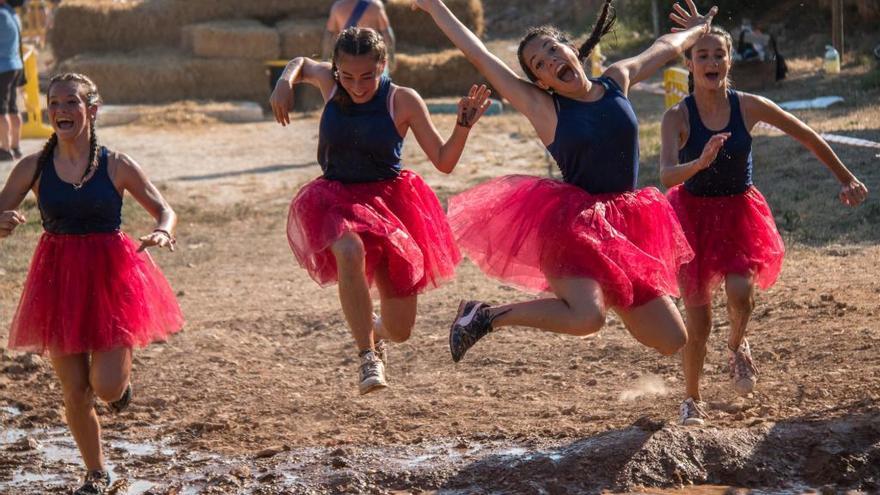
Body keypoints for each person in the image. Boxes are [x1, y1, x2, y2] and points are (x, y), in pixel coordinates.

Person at [410, 0, 717, 363]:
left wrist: (700, 29)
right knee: (588, 317)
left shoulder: (617, 79)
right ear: (540, 81)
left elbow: (664, 48)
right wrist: (435, 8)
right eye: (540, 64)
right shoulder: (544, 107)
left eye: (554, 50)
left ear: (572, 49)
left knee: (672, 338)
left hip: (625, 226)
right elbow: (479, 55)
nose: (551, 61)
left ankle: (607, 286)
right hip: (574, 229)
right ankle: (486, 316)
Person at [659, 27, 868, 426]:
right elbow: (667, 175)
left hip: (739, 213)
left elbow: (804, 134)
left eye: (718, 55)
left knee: (742, 294)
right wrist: (699, 162)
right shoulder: (677, 116)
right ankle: (691, 398)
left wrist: (845, 177)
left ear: (729, 61)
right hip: (691, 219)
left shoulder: (748, 106)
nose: (711, 63)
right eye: (702, 56)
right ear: (689, 64)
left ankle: (737, 347)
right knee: (697, 324)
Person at [270, 27, 491, 394]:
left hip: (391, 208)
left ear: (384, 65)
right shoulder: (331, 82)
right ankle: (367, 356)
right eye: (348, 76)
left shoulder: (402, 100)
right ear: (336, 70)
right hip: (336, 199)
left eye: (368, 76)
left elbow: (444, 161)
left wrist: (462, 127)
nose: (357, 86)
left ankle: (374, 329)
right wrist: (284, 81)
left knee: (401, 329)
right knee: (348, 249)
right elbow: (301, 63)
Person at [0, 73, 184, 495]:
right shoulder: (33, 166)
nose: (62, 111)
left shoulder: (116, 164)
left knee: (104, 386)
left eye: (71, 103)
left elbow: (165, 210)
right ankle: (97, 473)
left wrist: (162, 231)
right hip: (57, 282)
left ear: (92, 110)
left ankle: (120, 389)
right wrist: (2, 222)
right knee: (75, 389)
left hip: (111, 280)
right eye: (55, 103)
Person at [322, 0, 395, 71]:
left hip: (346, 57)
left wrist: (325, 58)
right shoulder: (376, 5)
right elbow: (387, 33)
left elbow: (329, 34)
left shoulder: (338, 6)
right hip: (372, 56)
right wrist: (391, 57)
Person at [0, 0, 24, 160]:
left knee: (1, 110)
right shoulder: (12, 14)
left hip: (2, 66)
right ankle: (16, 147)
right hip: (15, 64)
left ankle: (5, 149)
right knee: (13, 108)